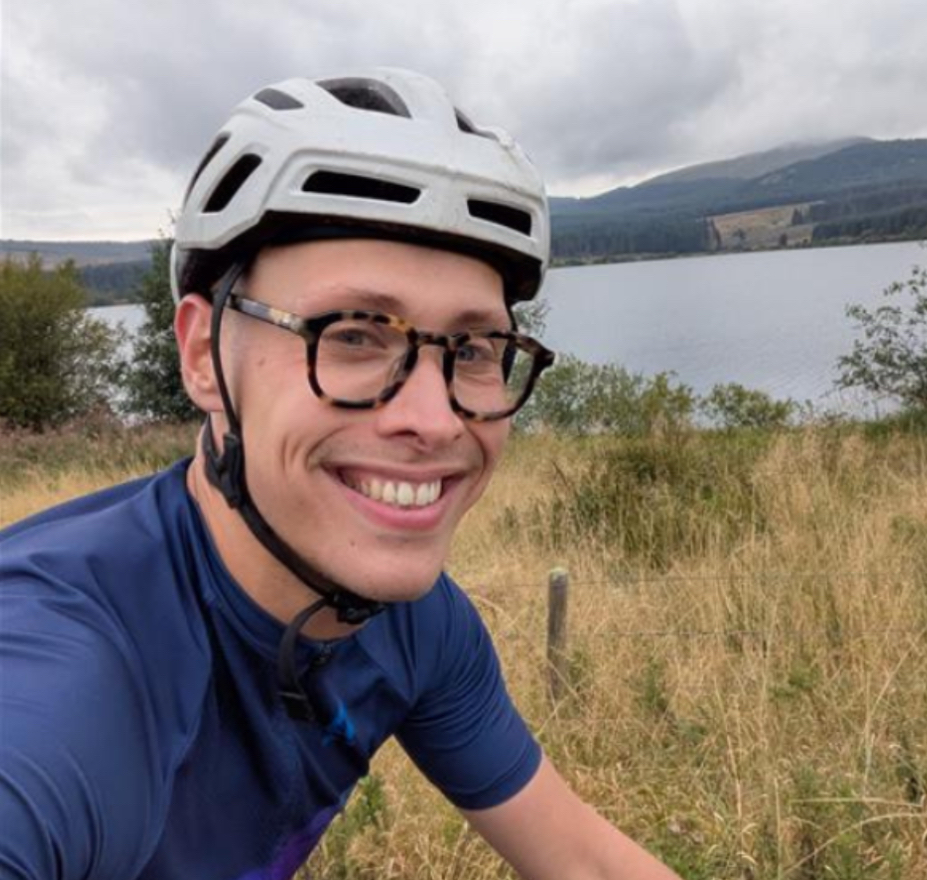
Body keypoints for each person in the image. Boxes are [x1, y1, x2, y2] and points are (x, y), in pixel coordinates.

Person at [0, 69, 681, 880]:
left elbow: (587, 865)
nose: (434, 420)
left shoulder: (415, 626)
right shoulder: (62, 669)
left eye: (472, 350)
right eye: (353, 334)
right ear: (202, 355)